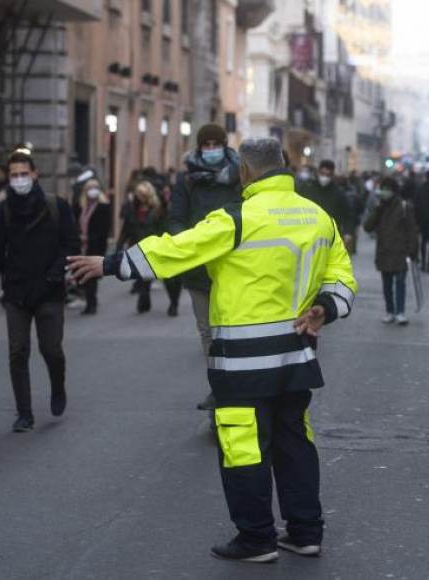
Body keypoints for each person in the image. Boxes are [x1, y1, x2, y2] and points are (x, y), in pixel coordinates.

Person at [68, 137, 357, 563]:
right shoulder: (318, 218)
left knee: (243, 448)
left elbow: (177, 249)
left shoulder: (237, 218)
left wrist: (111, 264)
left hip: (242, 362)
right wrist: (324, 309)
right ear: (284, 168)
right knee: (295, 444)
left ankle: (257, 538)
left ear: (245, 171)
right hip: (295, 357)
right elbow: (343, 278)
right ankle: (305, 531)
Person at [0, 149, 80, 433]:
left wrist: (55, 272)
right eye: (15, 175)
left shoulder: (56, 206)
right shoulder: (3, 211)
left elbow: (71, 245)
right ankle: (24, 412)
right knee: (17, 351)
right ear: (8, 178)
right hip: (16, 293)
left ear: (35, 174)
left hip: (49, 291)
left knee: (51, 350)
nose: (20, 179)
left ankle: (57, 386)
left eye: (24, 174)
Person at [168, 123, 242, 411]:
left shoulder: (240, 177)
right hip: (199, 270)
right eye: (206, 145)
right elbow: (176, 217)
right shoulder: (187, 180)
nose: (211, 149)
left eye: (216, 144)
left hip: (234, 267)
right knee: (208, 335)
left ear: (225, 145)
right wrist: (186, 241)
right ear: (199, 148)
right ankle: (218, 390)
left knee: (232, 331)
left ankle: (235, 387)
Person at [363, 177, 419, 325]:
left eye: (387, 189)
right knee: (387, 285)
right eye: (383, 189)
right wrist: (377, 210)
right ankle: (390, 311)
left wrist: (413, 250)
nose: (385, 192)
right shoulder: (380, 207)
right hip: (384, 252)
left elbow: (412, 229)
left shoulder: (404, 206)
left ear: (394, 190)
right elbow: (367, 227)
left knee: (400, 283)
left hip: (401, 252)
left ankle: (400, 312)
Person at [122, 180, 175, 314]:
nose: (139, 197)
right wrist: (120, 243)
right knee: (143, 275)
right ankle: (143, 300)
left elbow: (164, 227)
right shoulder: (133, 209)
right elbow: (127, 227)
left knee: (168, 278)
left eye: (141, 194)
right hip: (139, 246)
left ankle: (173, 302)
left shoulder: (158, 210)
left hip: (156, 245)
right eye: (137, 194)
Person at [76, 178, 112, 315]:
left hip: (95, 246)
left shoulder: (104, 207)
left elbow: (104, 230)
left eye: (95, 187)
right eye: (90, 188)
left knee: (91, 276)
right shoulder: (80, 207)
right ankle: (90, 302)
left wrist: (90, 238)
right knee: (83, 276)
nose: (93, 190)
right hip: (81, 246)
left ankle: (92, 303)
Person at [298, 160, 353, 239]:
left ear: (332, 175)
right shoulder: (307, 188)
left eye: (328, 175)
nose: (325, 177)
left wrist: (348, 232)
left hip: (330, 235)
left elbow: (347, 214)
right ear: (318, 172)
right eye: (322, 174)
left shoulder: (339, 193)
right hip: (309, 232)